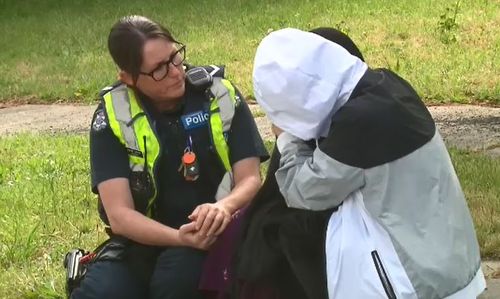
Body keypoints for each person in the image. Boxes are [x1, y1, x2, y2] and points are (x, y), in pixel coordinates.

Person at [251, 27, 486, 299]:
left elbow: (302, 191)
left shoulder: (356, 124)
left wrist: (287, 139)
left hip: (417, 284)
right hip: (455, 265)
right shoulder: (388, 85)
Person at [70, 15, 268, 299]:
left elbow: (250, 179)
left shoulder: (219, 95)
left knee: (176, 285)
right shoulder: (112, 115)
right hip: (140, 240)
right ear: (127, 77)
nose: (176, 72)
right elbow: (120, 216)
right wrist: (177, 237)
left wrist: (223, 208)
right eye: (159, 70)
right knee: (101, 292)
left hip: (212, 233)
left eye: (175, 57)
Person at [231, 28, 367, 299]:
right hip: (289, 251)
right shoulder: (303, 118)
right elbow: (293, 197)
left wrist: (287, 141)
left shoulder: (356, 118)